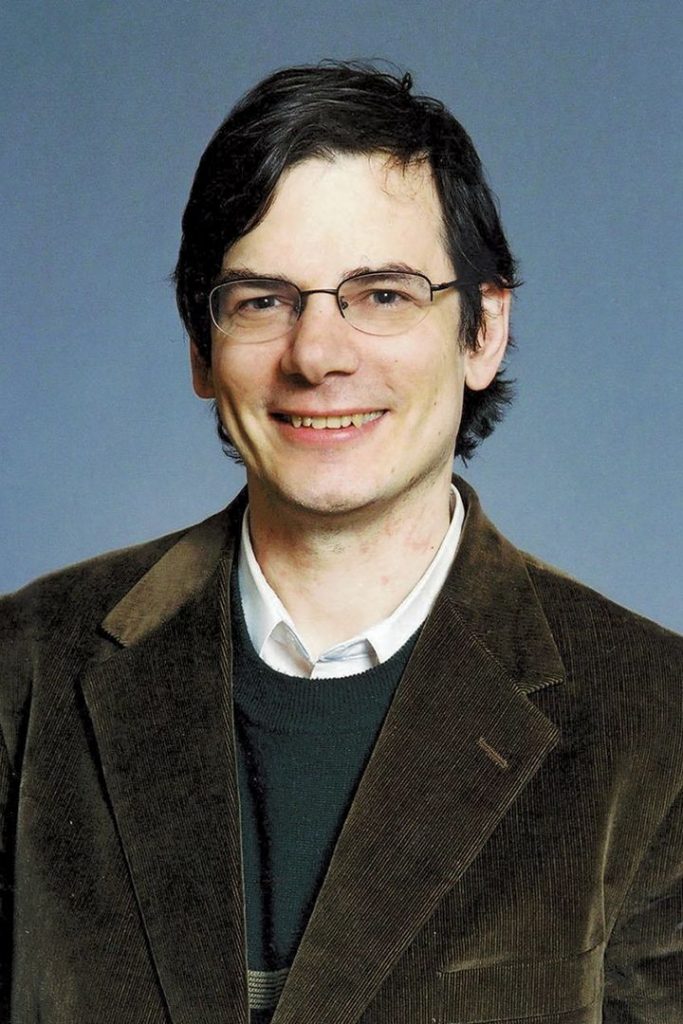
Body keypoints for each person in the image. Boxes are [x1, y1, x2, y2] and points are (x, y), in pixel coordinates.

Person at [1, 62, 681, 1024]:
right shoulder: (22, 671)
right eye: (262, 300)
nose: (317, 355)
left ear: (483, 331)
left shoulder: (656, 720)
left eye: (384, 294)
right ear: (201, 349)